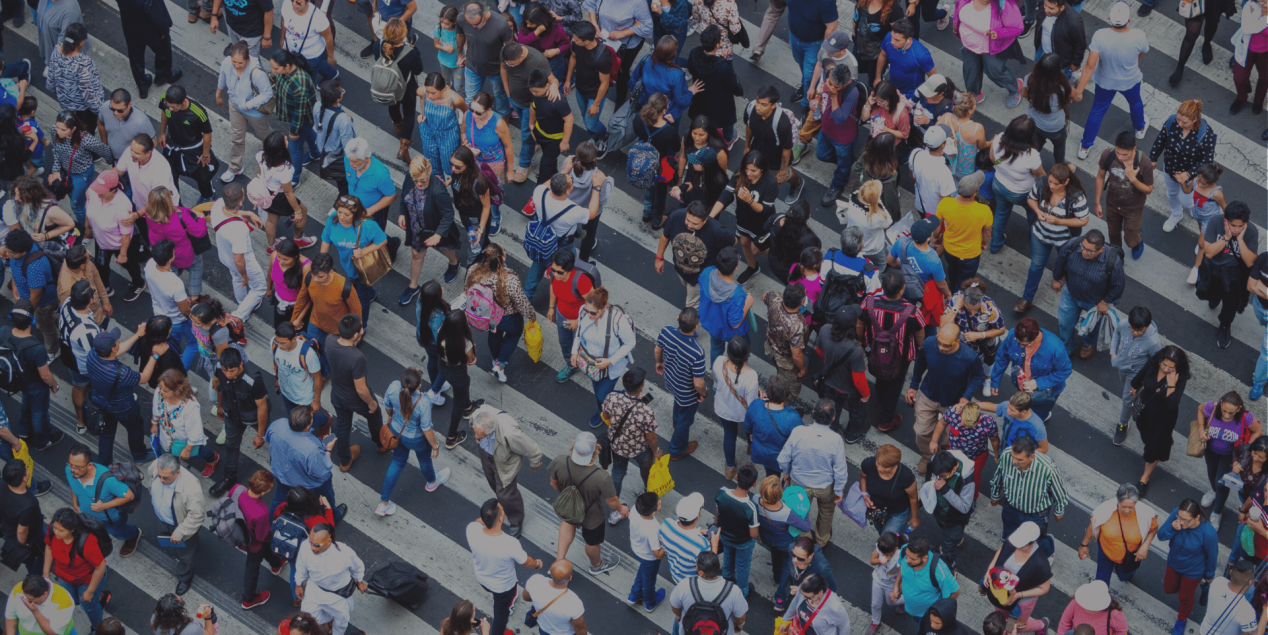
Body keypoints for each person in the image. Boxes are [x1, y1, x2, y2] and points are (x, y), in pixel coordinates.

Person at [1071, 2, 1149, 159]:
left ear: (1109, 18)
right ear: (1129, 19)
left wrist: (1079, 91)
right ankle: (1140, 127)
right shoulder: (1139, 35)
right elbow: (1142, 53)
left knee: (1097, 110)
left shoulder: (1100, 35)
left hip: (1105, 82)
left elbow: (1089, 66)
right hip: (1130, 80)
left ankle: (1085, 147)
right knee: (1135, 103)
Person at [908, 324, 985, 473]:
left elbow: (977, 376)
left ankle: (943, 454)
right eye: (939, 342)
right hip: (928, 394)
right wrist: (913, 385)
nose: (941, 347)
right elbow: (920, 364)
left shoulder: (970, 357)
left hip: (954, 401)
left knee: (949, 434)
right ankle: (927, 455)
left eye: (946, 345)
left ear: (957, 342)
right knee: (921, 431)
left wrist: (966, 396)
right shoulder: (930, 343)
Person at [549, 431, 625, 574]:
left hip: (570, 506)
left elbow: (554, 483)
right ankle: (596, 566)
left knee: (568, 523)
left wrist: (566, 493)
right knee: (592, 541)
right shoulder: (601, 476)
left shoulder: (560, 461)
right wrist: (621, 509)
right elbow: (612, 501)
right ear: (595, 450)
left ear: (573, 446)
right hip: (592, 515)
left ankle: (559, 563)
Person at [860, 270, 927, 431]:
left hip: (875, 350)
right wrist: (919, 350)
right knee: (895, 385)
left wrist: (861, 341)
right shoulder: (912, 313)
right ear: (902, 290)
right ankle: (886, 421)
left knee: (880, 373)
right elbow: (920, 337)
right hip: (901, 357)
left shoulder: (868, 304)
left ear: (882, 287)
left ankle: (880, 396)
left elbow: (859, 325)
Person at [778, 400, 850, 547]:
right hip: (825, 487)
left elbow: (783, 459)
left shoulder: (798, 432)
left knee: (800, 513)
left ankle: (805, 540)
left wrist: (786, 473)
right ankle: (822, 540)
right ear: (833, 418)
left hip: (799, 483)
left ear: (813, 413)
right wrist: (839, 490)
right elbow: (840, 470)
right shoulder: (836, 440)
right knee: (826, 513)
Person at [467, 499, 544, 635]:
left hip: (482, 579)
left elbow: (478, 521)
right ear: (501, 519)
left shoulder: (472, 529)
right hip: (503, 587)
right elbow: (526, 561)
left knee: (500, 601)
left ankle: (510, 603)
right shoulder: (510, 544)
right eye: (502, 511)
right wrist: (537, 564)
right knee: (501, 616)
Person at [86, 325, 158, 466]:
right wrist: (155, 355)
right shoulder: (122, 373)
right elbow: (143, 378)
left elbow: (118, 349)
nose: (118, 342)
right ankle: (139, 455)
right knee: (135, 428)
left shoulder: (92, 355)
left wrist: (137, 335)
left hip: (101, 404)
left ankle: (104, 464)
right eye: (116, 341)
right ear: (113, 348)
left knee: (106, 436)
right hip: (124, 408)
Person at [523, 172, 600, 302]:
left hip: (543, 240)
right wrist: (596, 187)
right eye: (571, 182)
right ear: (567, 192)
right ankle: (568, 291)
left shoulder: (539, 192)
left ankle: (526, 297)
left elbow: (545, 184)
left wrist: (564, 170)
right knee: (570, 265)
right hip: (563, 243)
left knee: (538, 265)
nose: (572, 181)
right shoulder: (573, 211)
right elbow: (592, 213)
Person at [468, 244, 539, 382]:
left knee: (494, 333)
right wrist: (531, 315)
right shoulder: (509, 280)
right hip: (507, 316)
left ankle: (495, 359)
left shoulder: (473, 270)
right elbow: (521, 302)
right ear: (503, 258)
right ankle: (500, 365)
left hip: (486, 315)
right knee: (514, 333)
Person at [989, 436, 1068, 559]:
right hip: (1011, 508)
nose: (1014, 461)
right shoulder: (1006, 456)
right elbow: (998, 476)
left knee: (1038, 539)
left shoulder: (1047, 468)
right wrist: (994, 495)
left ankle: (1048, 551)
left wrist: (1059, 510)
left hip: (1036, 513)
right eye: (1013, 456)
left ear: (1032, 457)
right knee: (1010, 532)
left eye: (1019, 459)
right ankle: (1011, 547)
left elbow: (1059, 491)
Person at [0, 299, 63, 451]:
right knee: (39, 413)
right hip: (34, 383)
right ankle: (42, 441)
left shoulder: (3, 331)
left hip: (17, 379)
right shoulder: (37, 348)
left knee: (26, 402)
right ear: (31, 320)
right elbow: (45, 375)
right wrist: (54, 385)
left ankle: (24, 431)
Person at [471, 406, 542, 538]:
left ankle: (516, 519)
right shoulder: (478, 417)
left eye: (479, 435)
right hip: (486, 454)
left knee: (506, 493)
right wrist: (480, 438)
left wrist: (535, 463)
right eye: (475, 432)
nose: (476, 436)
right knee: (493, 483)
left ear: (491, 431)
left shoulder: (510, 434)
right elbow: (473, 423)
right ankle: (504, 502)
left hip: (504, 462)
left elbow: (532, 448)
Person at [1052, 231, 1124, 359]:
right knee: (1064, 323)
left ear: (1101, 249)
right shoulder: (1072, 245)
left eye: (1090, 251)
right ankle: (1066, 348)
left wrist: (1105, 301)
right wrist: (1057, 278)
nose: (1084, 252)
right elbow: (1061, 260)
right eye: (1083, 247)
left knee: (1093, 326)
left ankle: (1089, 343)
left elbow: (1118, 285)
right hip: (1071, 294)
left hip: (1095, 301)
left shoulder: (1113, 262)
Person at [398, 157, 462, 301]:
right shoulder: (410, 175)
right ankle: (413, 285)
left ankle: (454, 262)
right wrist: (402, 212)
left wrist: (438, 235)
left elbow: (448, 214)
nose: (419, 184)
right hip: (416, 227)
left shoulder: (438, 190)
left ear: (429, 174)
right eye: (416, 180)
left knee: (445, 249)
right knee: (416, 254)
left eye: (423, 181)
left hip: (435, 227)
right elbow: (404, 194)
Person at [325, 315, 383, 471]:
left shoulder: (329, 341)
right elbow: (361, 389)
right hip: (355, 398)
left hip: (337, 394)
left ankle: (345, 461)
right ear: (356, 334)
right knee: (375, 415)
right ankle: (380, 443)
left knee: (343, 426)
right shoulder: (357, 357)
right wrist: (371, 403)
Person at [319, 194, 387, 327]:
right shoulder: (332, 221)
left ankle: (362, 325)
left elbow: (382, 240)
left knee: (361, 296)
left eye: (347, 214)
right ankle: (371, 293)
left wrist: (363, 252)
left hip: (362, 267)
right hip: (347, 263)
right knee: (358, 284)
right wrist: (321, 261)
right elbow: (326, 238)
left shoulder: (368, 225)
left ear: (355, 215)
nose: (342, 217)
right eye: (339, 212)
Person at [208, 348, 268, 496]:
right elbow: (220, 387)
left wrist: (260, 435)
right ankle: (229, 477)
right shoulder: (219, 369)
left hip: (252, 414)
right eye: (225, 370)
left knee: (270, 436)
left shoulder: (254, 379)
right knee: (230, 445)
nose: (228, 374)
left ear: (241, 364)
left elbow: (262, 407)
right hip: (232, 413)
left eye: (232, 371)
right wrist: (220, 406)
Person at [655, 201, 737, 309]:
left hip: (699, 277)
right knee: (685, 283)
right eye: (688, 220)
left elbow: (733, 241)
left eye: (695, 223)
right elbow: (665, 236)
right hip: (680, 268)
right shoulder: (676, 216)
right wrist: (659, 258)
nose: (689, 225)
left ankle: (692, 320)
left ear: (705, 220)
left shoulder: (717, 231)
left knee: (691, 306)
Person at [711, 153, 777, 284]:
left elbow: (766, 210)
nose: (748, 173)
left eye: (753, 170)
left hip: (762, 224)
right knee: (745, 243)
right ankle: (753, 267)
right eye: (746, 169)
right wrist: (710, 217)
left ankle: (779, 247)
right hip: (743, 219)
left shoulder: (770, 183)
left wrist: (749, 200)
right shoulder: (740, 173)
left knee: (756, 249)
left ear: (762, 169)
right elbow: (726, 195)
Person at [1201, 204, 1260, 349]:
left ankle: (1224, 326)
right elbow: (1208, 252)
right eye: (1233, 225)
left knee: (1230, 306)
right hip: (1213, 270)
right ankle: (1214, 298)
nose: (1237, 229)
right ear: (1226, 221)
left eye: (1241, 226)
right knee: (1211, 293)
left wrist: (1240, 240)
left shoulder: (1251, 231)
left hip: (1234, 275)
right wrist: (1226, 238)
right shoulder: (1215, 222)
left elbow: (1250, 261)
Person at [1131, 346, 1191, 492]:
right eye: (1164, 365)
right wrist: (1135, 386)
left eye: (1171, 367)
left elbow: (1172, 404)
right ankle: (1162, 442)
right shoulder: (1154, 363)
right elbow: (1142, 374)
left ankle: (1144, 478)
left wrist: (1171, 384)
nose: (1165, 369)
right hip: (1145, 411)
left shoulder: (1180, 377)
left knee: (1153, 447)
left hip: (1163, 418)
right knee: (1146, 436)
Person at [1157, 499, 1220, 635]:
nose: (1181, 522)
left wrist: (1209, 576)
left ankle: (1182, 619)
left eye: (1186, 520)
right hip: (1174, 563)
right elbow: (1161, 536)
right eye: (1180, 517)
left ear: (1197, 517)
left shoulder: (1208, 533)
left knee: (1185, 597)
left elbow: (1212, 556)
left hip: (1193, 571)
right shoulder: (1177, 515)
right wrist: (1171, 528)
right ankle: (1186, 590)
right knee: (1169, 589)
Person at [1199, 392, 1262, 525]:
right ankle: (1213, 491)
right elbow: (1200, 409)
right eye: (1224, 411)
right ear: (1220, 403)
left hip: (1230, 455)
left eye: (1231, 413)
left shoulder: (1246, 417)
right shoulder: (1212, 407)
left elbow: (1257, 430)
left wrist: (1246, 452)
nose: (1227, 415)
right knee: (1212, 474)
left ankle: (1217, 511)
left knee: (1221, 483)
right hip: (1211, 451)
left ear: (1239, 409)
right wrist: (1201, 429)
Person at [265, 408, 340, 520]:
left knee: (278, 502)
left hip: (283, 477)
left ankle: (272, 525)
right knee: (324, 500)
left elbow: (269, 440)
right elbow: (322, 472)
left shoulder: (277, 425)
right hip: (307, 487)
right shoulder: (312, 449)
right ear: (308, 425)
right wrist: (328, 449)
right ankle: (332, 517)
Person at [210, 184, 270, 322]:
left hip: (225, 255)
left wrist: (249, 213)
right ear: (241, 202)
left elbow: (232, 212)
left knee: (236, 280)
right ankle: (238, 316)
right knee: (260, 287)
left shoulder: (218, 204)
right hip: (243, 261)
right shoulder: (238, 229)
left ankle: (244, 304)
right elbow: (239, 259)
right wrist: (244, 275)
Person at [291, 253, 361, 372]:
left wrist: (356, 332)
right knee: (313, 351)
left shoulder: (344, 286)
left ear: (330, 271)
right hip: (316, 321)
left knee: (337, 356)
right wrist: (293, 320)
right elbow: (301, 299)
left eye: (320, 276)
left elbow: (356, 310)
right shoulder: (309, 278)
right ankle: (323, 371)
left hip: (338, 328)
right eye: (314, 275)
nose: (316, 279)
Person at [147, 453, 205, 596]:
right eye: (159, 476)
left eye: (166, 478)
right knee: (173, 542)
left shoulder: (191, 488)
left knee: (186, 554)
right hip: (163, 519)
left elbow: (197, 515)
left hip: (179, 524)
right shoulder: (158, 467)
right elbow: (151, 474)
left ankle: (185, 577)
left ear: (177, 473)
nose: (161, 480)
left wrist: (180, 532)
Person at [991, 318, 1072, 420]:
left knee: (1037, 416)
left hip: (1045, 392)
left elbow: (1065, 371)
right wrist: (995, 380)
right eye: (1018, 342)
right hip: (1022, 385)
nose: (1020, 346)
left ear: (1036, 337)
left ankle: (1042, 417)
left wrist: (1038, 383)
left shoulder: (1055, 348)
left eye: (1024, 345)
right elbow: (1002, 356)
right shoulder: (1013, 335)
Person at [216, 43, 274, 183]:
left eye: (240, 63)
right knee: (237, 138)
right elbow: (223, 78)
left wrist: (249, 105)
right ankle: (235, 168)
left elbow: (267, 94)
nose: (236, 65)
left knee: (265, 136)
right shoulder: (226, 63)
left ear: (247, 59)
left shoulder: (257, 73)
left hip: (254, 111)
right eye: (234, 61)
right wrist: (218, 95)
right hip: (235, 106)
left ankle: (275, 157)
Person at [1078, 483, 1158, 585]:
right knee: (1101, 581)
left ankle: (1127, 575)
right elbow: (1092, 525)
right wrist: (1084, 545)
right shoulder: (1104, 510)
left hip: (1131, 554)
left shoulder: (1145, 513)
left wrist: (1145, 545)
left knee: (1125, 575)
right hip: (1106, 552)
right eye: (1123, 506)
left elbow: (1154, 527)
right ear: (1117, 501)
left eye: (1131, 507)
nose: (1127, 510)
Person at [980, 521, 1053, 634]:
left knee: (1013, 627)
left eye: (1022, 544)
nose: (1017, 546)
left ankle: (1041, 625)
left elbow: (1044, 588)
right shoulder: (1013, 541)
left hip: (1021, 603)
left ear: (1033, 543)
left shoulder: (1041, 564)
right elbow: (1001, 551)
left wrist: (1018, 595)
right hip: (1002, 594)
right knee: (1001, 621)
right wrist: (990, 571)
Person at [987, 116, 1045, 254]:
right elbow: (1041, 175)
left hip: (999, 185)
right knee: (1033, 213)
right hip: (1023, 193)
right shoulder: (1032, 155)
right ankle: (1034, 236)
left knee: (1000, 214)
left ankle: (995, 244)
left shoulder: (998, 139)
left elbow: (992, 159)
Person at [601, 366, 660, 499]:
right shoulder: (645, 412)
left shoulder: (612, 398)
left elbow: (605, 416)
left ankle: (614, 508)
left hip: (618, 445)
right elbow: (651, 438)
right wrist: (656, 451)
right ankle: (648, 493)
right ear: (641, 387)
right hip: (640, 449)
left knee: (617, 473)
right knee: (646, 472)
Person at [294, 524, 365, 635]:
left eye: (316, 545)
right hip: (315, 590)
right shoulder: (305, 547)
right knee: (308, 619)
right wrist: (298, 584)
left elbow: (358, 566)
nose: (312, 548)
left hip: (337, 595)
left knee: (341, 621)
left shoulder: (344, 553)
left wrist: (360, 581)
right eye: (310, 542)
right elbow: (301, 566)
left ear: (328, 541)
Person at [951, 0, 1024, 108]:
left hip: (991, 48)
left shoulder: (1004, 5)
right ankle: (974, 94)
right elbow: (958, 8)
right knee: (970, 70)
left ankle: (1015, 87)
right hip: (968, 44)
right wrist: (955, 23)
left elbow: (1018, 28)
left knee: (995, 71)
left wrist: (999, 33)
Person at [1093, 131, 1154, 257]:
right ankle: (1117, 255)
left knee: (1130, 239)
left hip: (1133, 207)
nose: (1120, 157)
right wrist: (1097, 202)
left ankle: (1138, 238)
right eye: (1118, 152)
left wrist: (1133, 178)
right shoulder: (1108, 155)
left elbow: (1148, 189)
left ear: (1134, 149)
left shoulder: (1144, 163)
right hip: (1112, 203)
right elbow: (1100, 177)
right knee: (1113, 233)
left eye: (1124, 154)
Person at [47, 112, 112, 228]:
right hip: (65, 171)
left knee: (76, 205)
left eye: (63, 129)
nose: (58, 131)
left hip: (82, 175)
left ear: (73, 129)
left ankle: (85, 228)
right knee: (75, 198)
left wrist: (111, 163)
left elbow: (104, 150)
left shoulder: (86, 140)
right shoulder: (54, 130)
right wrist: (56, 170)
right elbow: (55, 150)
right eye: (57, 127)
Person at [155, 87, 218, 205]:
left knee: (202, 177)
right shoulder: (165, 100)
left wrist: (205, 154)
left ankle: (207, 195)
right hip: (172, 146)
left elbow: (207, 133)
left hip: (193, 150)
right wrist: (162, 133)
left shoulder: (198, 112)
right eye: (169, 106)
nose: (171, 109)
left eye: (174, 107)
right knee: (170, 177)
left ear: (184, 100)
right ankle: (176, 204)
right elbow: (164, 112)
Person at [152, 369, 218, 478]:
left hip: (184, 442)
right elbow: (156, 408)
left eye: (165, 389)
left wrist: (187, 450)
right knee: (168, 458)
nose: (160, 391)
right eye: (160, 387)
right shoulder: (159, 392)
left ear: (176, 389)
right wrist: (154, 423)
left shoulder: (190, 407)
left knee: (200, 452)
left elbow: (195, 431)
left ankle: (212, 459)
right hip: (165, 438)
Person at [743, 87, 804, 205]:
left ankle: (798, 183)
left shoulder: (782, 123)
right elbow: (749, 126)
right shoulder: (751, 109)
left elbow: (786, 149)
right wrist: (747, 146)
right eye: (758, 102)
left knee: (785, 175)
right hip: (757, 150)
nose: (758, 107)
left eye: (764, 104)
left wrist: (782, 171)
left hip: (775, 157)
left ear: (773, 105)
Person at [817, 307, 870, 442]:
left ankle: (831, 433)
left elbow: (819, 351)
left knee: (832, 411)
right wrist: (865, 394)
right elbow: (858, 379)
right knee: (857, 412)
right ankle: (852, 435)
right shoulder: (855, 350)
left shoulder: (824, 330)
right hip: (850, 390)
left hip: (829, 382)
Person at [1109, 307, 1162, 441]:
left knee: (1127, 400)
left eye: (1140, 331)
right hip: (1121, 367)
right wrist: (1113, 355)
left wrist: (1140, 383)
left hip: (1136, 375)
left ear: (1147, 326)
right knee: (1126, 389)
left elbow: (1154, 364)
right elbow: (1117, 332)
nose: (1135, 333)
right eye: (1133, 329)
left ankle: (1123, 424)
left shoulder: (1153, 342)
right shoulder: (1124, 324)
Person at [269, 50, 319, 190]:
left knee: (295, 148)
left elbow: (300, 111)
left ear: (287, 65)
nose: (273, 70)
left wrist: (294, 131)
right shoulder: (286, 73)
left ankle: (295, 179)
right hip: (297, 116)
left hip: (302, 118)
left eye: (276, 68)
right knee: (307, 134)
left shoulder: (299, 84)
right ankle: (316, 153)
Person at [234, 470, 284, 610]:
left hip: (241, 533)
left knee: (265, 549)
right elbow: (263, 537)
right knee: (252, 567)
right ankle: (248, 599)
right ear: (264, 491)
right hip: (254, 544)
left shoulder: (237, 490)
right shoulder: (261, 512)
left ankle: (276, 564)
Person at [457, 1, 515, 118]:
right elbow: (460, 35)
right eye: (470, 23)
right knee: (470, 99)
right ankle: (471, 123)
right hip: (472, 66)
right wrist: (459, 55)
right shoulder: (461, 18)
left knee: (500, 96)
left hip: (496, 69)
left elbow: (509, 47)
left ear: (485, 14)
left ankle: (504, 119)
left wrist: (508, 66)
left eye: (476, 24)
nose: (473, 26)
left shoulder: (501, 25)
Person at [686, 27, 742, 147]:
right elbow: (732, 83)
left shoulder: (694, 54)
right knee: (726, 120)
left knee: (700, 117)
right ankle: (728, 139)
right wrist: (727, 61)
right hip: (720, 99)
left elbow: (690, 67)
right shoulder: (722, 67)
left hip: (700, 95)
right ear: (717, 45)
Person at [935, 173, 993, 290]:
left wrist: (936, 238)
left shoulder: (945, 203)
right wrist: (984, 244)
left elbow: (937, 225)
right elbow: (987, 233)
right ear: (975, 192)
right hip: (970, 255)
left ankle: (952, 289)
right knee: (964, 282)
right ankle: (957, 297)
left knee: (952, 270)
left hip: (949, 250)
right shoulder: (984, 210)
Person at [634, 93, 683, 229]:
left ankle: (646, 213)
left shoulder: (638, 119)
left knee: (649, 187)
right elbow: (676, 147)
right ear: (664, 110)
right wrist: (672, 124)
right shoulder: (669, 131)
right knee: (660, 194)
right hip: (660, 167)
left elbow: (637, 132)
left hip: (644, 161)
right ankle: (656, 221)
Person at [712, 337, 759, 477]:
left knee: (729, 434)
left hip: (723, 408)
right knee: (748, 429)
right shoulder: (751, 376)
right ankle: (750, 447)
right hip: (743, 413)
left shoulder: (719, 361)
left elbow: (715, 380)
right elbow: (752, 404)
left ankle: (730, 468)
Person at [698, 248, 753, 367]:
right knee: (741, 351)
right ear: (736, 267)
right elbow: (735, 323)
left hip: (714, 325)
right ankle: (737, 373)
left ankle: (716, 374)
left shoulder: (707, 272)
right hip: (733, 333)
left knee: (716, 349)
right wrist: (748, 304)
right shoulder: (736, 294)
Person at [670, 552, 748, 635]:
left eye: (697, 564)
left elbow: (674, 606)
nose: (696, 566)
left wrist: (679, 615)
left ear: (701, 573)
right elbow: (741, 616)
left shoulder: (685, 585)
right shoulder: (733, 591)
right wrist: (739, 625)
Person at [435, 310, 479, 448]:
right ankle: (451, 437)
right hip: (457, 372)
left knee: (464, 386)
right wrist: (472, 357)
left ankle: (468, 408)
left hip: (442, 365)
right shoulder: (465, 342)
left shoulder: (441, 331)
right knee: (457, 403)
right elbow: (471, 360)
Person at [713, 464, 759, 598]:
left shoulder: (722, 493)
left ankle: (727, 576)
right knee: (743, 566)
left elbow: (718, 513)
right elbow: (753, 534)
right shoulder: (750, 507)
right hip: (743, 542)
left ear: (737, 477)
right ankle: (742, 592)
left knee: (728, 555)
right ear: (754, 484)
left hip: (725, 536)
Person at [925, 451, 976, 570]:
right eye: (938, 475)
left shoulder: (966, 479)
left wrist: (945, 489)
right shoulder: (936, 463)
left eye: (944, 476)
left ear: (954, 468)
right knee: (949, 535)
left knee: (948, 548)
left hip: (954, 520)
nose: (940, 478)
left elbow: (964, 508)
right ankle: (956, 539)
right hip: (939, 513)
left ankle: (950, 568)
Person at [47, 25, 103, 134]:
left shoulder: (56, 50)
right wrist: (100, 111)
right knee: (86, 130)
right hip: (83, 108)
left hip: (65, 102)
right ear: (82, 42)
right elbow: (88, 94)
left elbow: (51, 77)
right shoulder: (83, 63)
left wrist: (53, 91)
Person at [744, 375, 800, 478]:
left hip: (761, 452)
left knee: (771, 474)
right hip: (780, 457)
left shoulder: (756, 405)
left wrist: (751, 434)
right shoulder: (793, 417)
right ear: (786, 394)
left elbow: (747, 426)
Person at [417, 72, 468, 186]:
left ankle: (458, 187)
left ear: (443, 89)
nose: (429, 95)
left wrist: (463, 131)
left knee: (449, 163)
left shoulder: (455, 99)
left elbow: (466, 111)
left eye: (433, 93)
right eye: (428, 91)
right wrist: (422, 114)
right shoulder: (422, 91)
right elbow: (422, 98)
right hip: (428, 131)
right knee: (431, 163)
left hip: (448, 134)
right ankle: (437, 187)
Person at [888, 216, 951, 307]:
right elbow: (941, 284)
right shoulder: (933, 260)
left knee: (909, 305)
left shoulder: (901, 242)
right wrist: (948, 294)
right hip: (924, 289)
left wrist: (905, 267)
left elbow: (890, 261)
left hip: (906, 283)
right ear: (928, 238)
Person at [860, 444, 919, 535]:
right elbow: (863, 477)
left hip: (897, 512)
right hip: (876, 510)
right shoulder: (868, 464)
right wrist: (864, 494)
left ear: (895, 464)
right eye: (878, 464)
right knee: (881, 531)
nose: (880, 468)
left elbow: (913, 498)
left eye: (885, 467)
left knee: (886, 540)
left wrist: (914, 518)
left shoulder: (906, 477)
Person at [897, 538, 959, 624]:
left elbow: (955, 591)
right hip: (911, 609)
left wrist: (939, 613)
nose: (907, 560)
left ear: (925, 558)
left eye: (912, 559)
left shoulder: (939, 571)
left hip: (927, 616)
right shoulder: (905, 550)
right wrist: (896, 586)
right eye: (907, 556)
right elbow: (901, 566)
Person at [450, 147, 494, 265]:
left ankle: (471, 272)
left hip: (476, 218)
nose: (453, 169)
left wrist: (480, 230)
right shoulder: (458, 171)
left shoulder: (478, 182)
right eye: (452, 164)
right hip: (464, 213)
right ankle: (488, 251)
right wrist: (447, 182)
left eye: (457, 167)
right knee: (482, 243)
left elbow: (486, 207)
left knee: (474, 249)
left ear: (468, 165)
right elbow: (455, 179)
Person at [523, 560, 589, 632]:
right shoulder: (574, 602)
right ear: (570, 578)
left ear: (550, 570)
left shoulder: (535, 580)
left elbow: (525, 597)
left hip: (544, 629)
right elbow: (579, 628)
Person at [768, 202, 822, 285]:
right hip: (790, 272)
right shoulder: (810, 239)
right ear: (806, 217)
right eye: (810, 213)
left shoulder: (777, 219)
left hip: (774, 263)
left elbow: (766, 227)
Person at [781, 573, 850, 635]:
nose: (803, 598)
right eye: (802, 595)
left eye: (808, 597)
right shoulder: (804, 588)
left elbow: (844, 626)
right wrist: (785, 620)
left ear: (820, 593)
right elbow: (795, 602)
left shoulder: (835, 608)